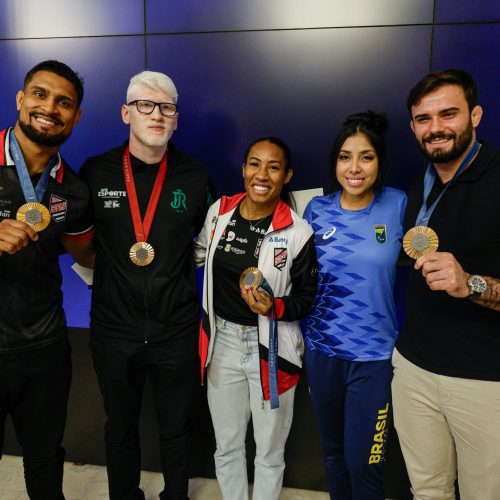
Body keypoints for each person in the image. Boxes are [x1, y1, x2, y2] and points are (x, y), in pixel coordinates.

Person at [79, 71, 215, 500]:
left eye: (167, 107)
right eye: (145, 105)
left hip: (174, 329)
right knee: (120, 427)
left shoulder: (196, 177)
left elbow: (205, 246)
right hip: (113, 330)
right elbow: (82, 245)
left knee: (177, 428)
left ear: (176, 119)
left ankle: (174, 495)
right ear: (126, 113)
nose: (157, 114)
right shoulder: (96, 172)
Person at [392, 69, 500, 500]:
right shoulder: (419, 184)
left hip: (482, 379)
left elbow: (469, 282)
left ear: (475, 115)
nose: (435, 128)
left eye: (448, 114)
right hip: (414, 368)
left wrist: (470, 283)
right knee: (428, 491)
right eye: (423, 119)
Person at [195, 137, 317, 500]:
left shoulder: (297, 231)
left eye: (273, 166)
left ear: (286, 175)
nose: (261, 174)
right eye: (254, 163)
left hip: (272, 349)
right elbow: (198, 253)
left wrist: (273, 307)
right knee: (227, 446)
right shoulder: (220, 211)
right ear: (244, 168)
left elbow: (306, 299)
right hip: (223, 345)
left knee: (269, 453)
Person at [0, 60, 94, 499]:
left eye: (64, 102)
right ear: (21, 100)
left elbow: (88, 254)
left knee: (44, 461)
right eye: (39, 95)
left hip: (44, 347)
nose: (49, 107)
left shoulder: (72, 190)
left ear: (74, 118)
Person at [303, 111, 406, 499]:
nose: (355, 167)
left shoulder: (397, 204)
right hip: (323, 353)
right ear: (335, 162)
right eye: (345, 157)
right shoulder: (316, 211)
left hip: (374, 359)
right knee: (333, 455)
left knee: (366, 463)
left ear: (380, 162)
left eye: (366, 157)